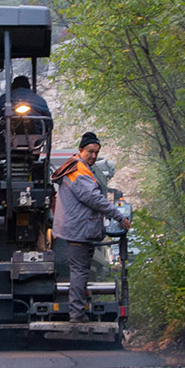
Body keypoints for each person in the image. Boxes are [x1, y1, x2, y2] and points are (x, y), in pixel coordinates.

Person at [51, 131, 131, 323]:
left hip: (75, 230)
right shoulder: (79, 171)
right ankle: (77, 313)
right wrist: (119, 216)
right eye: (90, 151)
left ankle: (78, 308)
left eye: (96, 152)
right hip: (79, 231)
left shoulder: (76, 167)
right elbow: (94, 199)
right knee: (79, 272)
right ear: (80, 150)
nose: (93, 156)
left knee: (80, 271)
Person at [0, 74, 52, 163]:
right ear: (29, 87)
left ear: (13, 86)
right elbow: (49, 124)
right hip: (35, 142)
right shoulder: (39, 100)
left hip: (8, 142)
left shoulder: (5, 98)